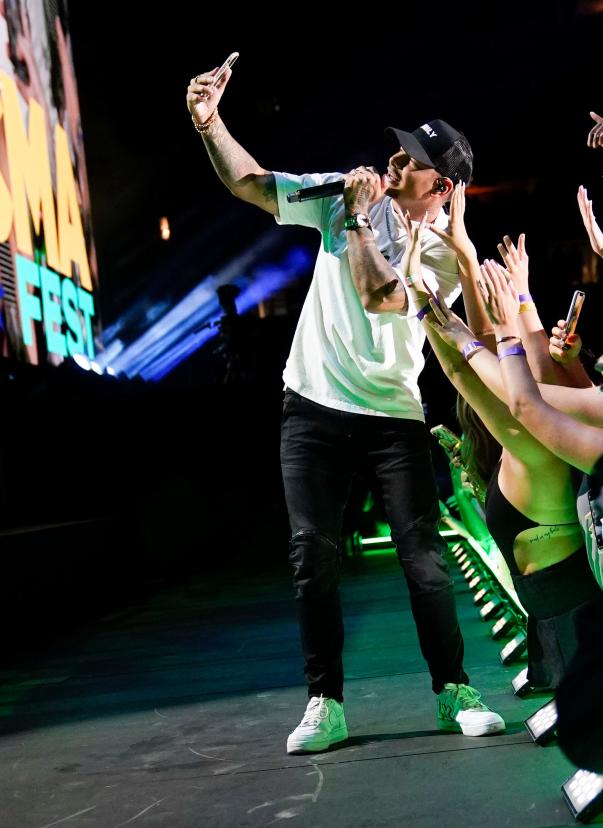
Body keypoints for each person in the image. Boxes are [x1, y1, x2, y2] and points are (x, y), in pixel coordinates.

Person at [185, 58, 504, 754]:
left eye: (414, 159)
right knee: (311, 556)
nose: (396, 158)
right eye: (399, 147)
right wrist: (210, 123)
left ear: (441, 186)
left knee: (422, 558)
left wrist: (357, 220)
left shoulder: (447, 253)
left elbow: (381, 295)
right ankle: (323, 703)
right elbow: (249, 181)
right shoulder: (338, 198)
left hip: (393, 417)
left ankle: (454, 690)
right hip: (313, 405)